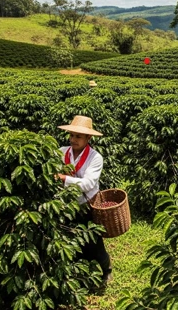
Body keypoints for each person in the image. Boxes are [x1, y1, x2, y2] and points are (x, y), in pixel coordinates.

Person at [56, 115, 113, 282]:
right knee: (70, 240)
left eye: (78, 136)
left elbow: (88, 184)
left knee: (93, 242)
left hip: (86, 205)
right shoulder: (61, 152)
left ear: (88, 138)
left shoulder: (95, 158)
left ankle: (106, 269)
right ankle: (76, 275)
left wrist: (63, 178)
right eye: (71, 135)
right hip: (65, 205)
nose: (73, 139)